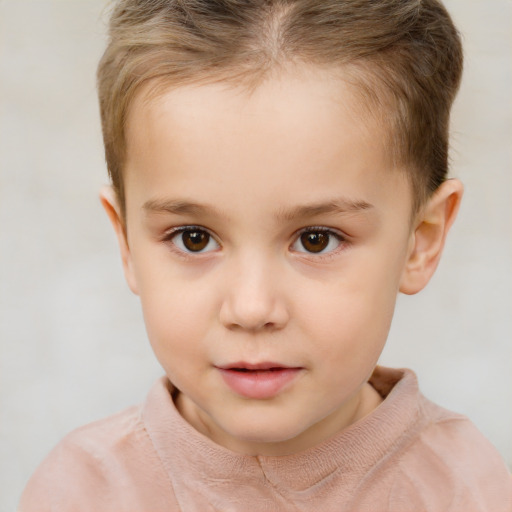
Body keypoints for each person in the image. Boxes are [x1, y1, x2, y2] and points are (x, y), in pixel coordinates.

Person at [19, 0, 512, 510]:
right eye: (193, 238)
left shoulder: (463, 488)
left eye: (316, 239)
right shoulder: (81, 492)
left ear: (421, 239)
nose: (252, 308)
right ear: (126, 241)